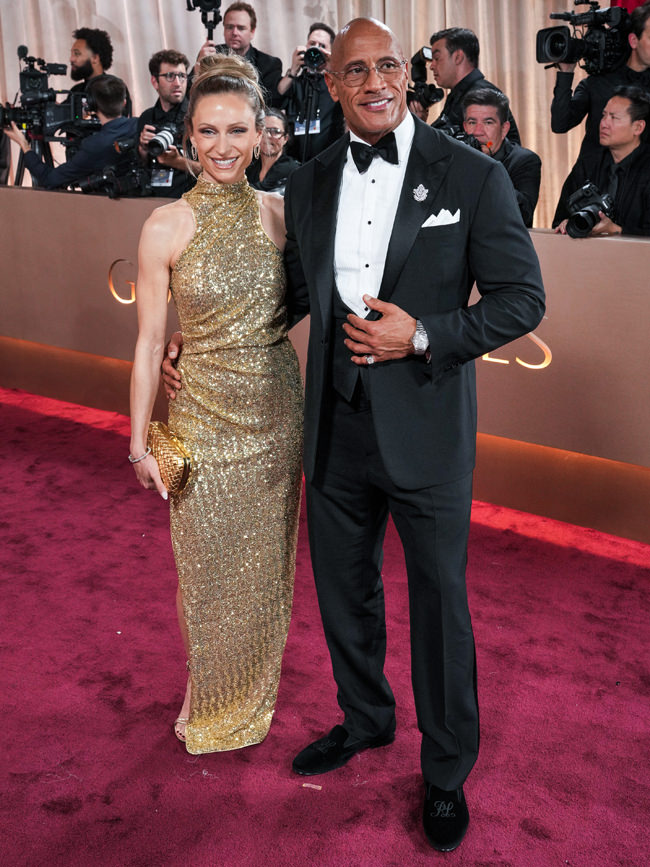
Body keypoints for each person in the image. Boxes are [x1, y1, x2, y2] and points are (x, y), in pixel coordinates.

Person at [165, 16, 545, 852]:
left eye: (388, 67)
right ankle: (366, 717)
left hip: (428, 432)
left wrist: (424, 333)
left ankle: (445, 769)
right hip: (334, 425)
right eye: (356, 71)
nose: (375, 83)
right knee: (345, 594)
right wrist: (202, 338)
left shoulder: (474, 175)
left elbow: (523, 299)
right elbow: (296, 293)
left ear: (407, 77)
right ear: (332, 84)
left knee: (439, 606)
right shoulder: (310, 180)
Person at [130, 53, 302, 754]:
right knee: (199, 567)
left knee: (263, 570)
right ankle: (206, 683)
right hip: (198, 415)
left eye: (237, 130)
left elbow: (296, 309)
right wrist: (138, 443)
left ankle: (248, 692)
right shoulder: (165, 224)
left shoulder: (282, 216)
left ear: (262, 134)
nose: (223, 146)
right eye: (208, 131)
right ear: (190, 136)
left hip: (273, 417)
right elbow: (149, 341)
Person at [550, 0, 650, 159]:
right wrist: (566, 73)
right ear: (633, 41)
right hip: (593, 171)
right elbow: (560, 124)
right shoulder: (596, 82)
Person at [5, 75, 136, 190]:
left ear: (91, 105)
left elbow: (49, 179)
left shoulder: (93, 146)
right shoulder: (140, 126)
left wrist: (24, 144)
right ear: (124, 102)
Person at [553, 85, 650, 235]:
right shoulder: (588, 164)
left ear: (638, 127)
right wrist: (566, 224)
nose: (604, 123)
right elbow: (559, 218)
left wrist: (618, 231)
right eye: (604, 115)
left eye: (614, 118)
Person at [462, 89, 541, 227]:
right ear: (465, 126)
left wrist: (482, 165)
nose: (478, 132)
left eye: (488, 123)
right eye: (472, 122)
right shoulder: (457, 158)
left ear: (504, 129)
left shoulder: (525, 160)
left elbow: (523, 215)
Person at [429, 26, 520, 143]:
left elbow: (488, 147)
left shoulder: (481, 94)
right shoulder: (460, 93)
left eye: (437, 58)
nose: (431, 66)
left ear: (458, 57)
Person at [277, 22, 345, 162]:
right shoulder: (296, 81)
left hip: (328, 159)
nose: (316, 49)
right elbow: (278, 97)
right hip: (295, 160)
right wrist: (293, 69)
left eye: (322, 46)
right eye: (312, 44)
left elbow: (350, 96)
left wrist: (332, 67)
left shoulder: (335, 84)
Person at [136, 50, 199, 198]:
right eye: (170, 76)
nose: (177, 83)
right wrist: (143, 149)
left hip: (189, 201)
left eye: (182, 76)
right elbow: (140, 166)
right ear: (154, 82)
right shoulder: (147, 118)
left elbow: (214, 171)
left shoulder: (199, 116)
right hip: (151, 200)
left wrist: (178, 162)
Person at [196, 2, 283, 106]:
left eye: (241, 28)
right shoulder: (210, 54)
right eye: (229, 27)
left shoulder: (269, 64)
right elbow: (190, 96)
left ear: (252, 32)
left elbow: (269, 104)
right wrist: (198, 67)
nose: (234, 33)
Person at [68, 27, 133, 116]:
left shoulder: (114, 88)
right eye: (71, 54)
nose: (71, 59)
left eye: (77, 54)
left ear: (95, 58)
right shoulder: (75, 92)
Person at [246, 108, 300, 193]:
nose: (268, 136)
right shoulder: (249, 167)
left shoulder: (293, 170)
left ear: (285, 138)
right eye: (263, 130)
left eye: (275, 131)